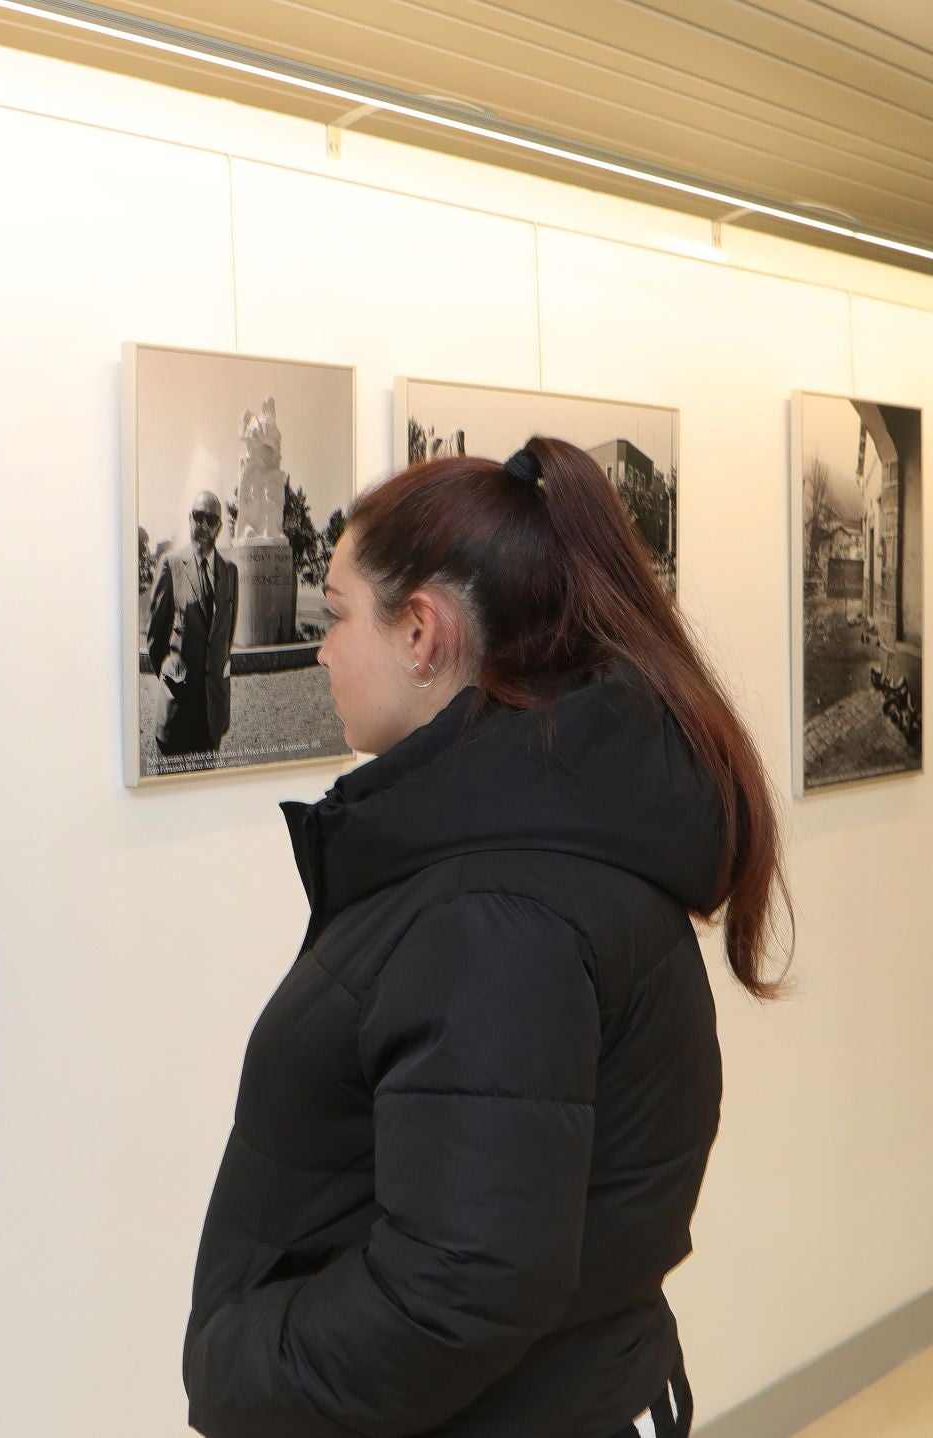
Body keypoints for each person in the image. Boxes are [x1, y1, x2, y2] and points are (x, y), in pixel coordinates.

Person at [182, 438, 789, 1438]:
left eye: (336, 615)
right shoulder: (525, 848)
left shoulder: (495, 914)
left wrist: (242, 1360)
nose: (324, 648)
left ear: (421, 632)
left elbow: (462, 1284)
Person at [146, 490, 237, 761]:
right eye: (198, 516)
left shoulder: (230, 572)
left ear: (219, 527)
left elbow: (225, 638)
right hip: (177, 711)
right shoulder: (170, 565)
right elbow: (155, 639)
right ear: (190, 519)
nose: (204, 525)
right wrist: (171, 675)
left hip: (212, 714)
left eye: (211, 519)